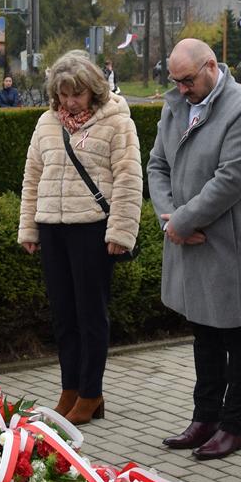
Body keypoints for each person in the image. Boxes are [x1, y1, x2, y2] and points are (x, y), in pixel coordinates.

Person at [150, 39, 241, 461]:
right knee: (203, 332)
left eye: (187, 80)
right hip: (189, 241)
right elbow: (157, 165)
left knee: (238, 336)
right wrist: (170, 218)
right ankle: (204, 417)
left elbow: (229, 181)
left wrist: (181, 222)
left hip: (228, 247)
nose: (181, 89)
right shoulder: (176, 106)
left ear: (211, 66)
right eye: (176, 81)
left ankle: (234, 425)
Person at [17, 51, 143, 425]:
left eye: (78, 94)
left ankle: (91, 393)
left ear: (94, 91)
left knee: (91, 315)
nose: (70, 102)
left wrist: (121, 232)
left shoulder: (117, 123)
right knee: (63, 316)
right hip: (53, 229)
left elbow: (128, 178)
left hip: (91, 229)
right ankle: (69, 389)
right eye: (64, 94)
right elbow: (32, 179)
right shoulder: (45, 123)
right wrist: (29, 228)